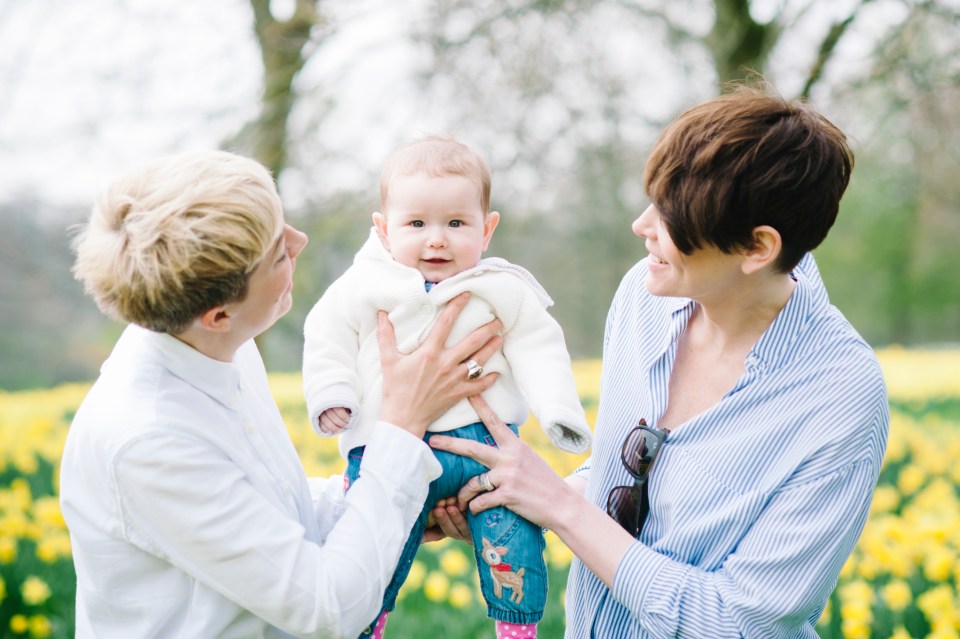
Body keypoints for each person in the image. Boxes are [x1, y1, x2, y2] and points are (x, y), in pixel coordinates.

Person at [430, 86, 890, 638]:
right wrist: (517, 498)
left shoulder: (841, 396)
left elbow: (740, 622)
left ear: (757, 248)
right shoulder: (645, 294)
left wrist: (560, 509)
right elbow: (632, 480)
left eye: (671, 216)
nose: (641, 226)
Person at [59, 149, 503, 639]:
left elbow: (267, 509)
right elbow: (327, 609)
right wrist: (402, 424)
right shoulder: (147, 440)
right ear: (219, 315)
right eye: (277, 253)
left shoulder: (217, 346)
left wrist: (402, 501)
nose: (299, 240)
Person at [301, 135, 591, 639]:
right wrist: (333, 394)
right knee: (374, 549)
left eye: (456, 224)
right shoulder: (363, 285)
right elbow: (327, 338)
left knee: (515, 536)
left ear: (487, 229)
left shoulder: (501, 287)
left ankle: (516, 630)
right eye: (416, 224)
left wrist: (558, 411)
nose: (436, 240)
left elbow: (539, 345)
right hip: (387, 446)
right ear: (384, 230)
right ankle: (368, 626)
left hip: (486, 448)